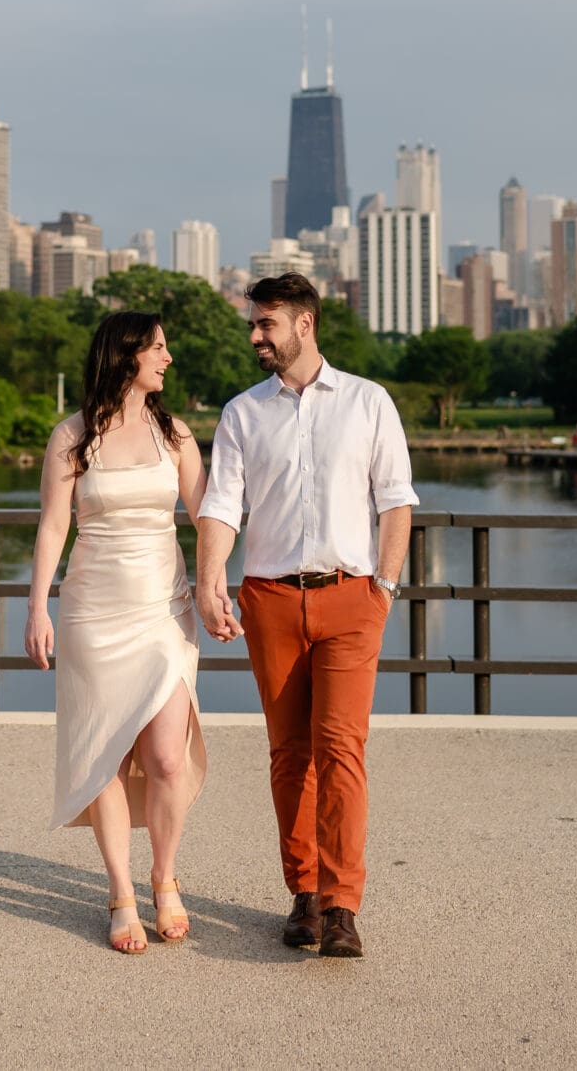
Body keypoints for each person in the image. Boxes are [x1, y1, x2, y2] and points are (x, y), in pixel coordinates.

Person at [195, 273, 416, 961]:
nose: (257, 336)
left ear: (305, 323)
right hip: (270, 599)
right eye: (254, 325)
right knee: (290, 753)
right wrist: (210, 581)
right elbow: (222, 506)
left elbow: (397, 500)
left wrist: (382, 586)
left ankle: (342, 904)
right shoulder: (241, 414)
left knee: (341, 749)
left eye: (267, 324)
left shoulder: (368, 402)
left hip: (352, 597)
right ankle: (303, 894)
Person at [24, 310, 209, 956]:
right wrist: (37, 606)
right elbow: (53, 526)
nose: (168, 357)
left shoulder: (177, 435)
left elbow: (207, 515)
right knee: (103, 755)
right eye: (159, 347)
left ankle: (164, 874)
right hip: (92, 615)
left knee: (164, 755)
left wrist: (215, 584)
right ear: (128, 355)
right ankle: (120, 892)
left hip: (164, 611)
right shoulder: (72, 436)